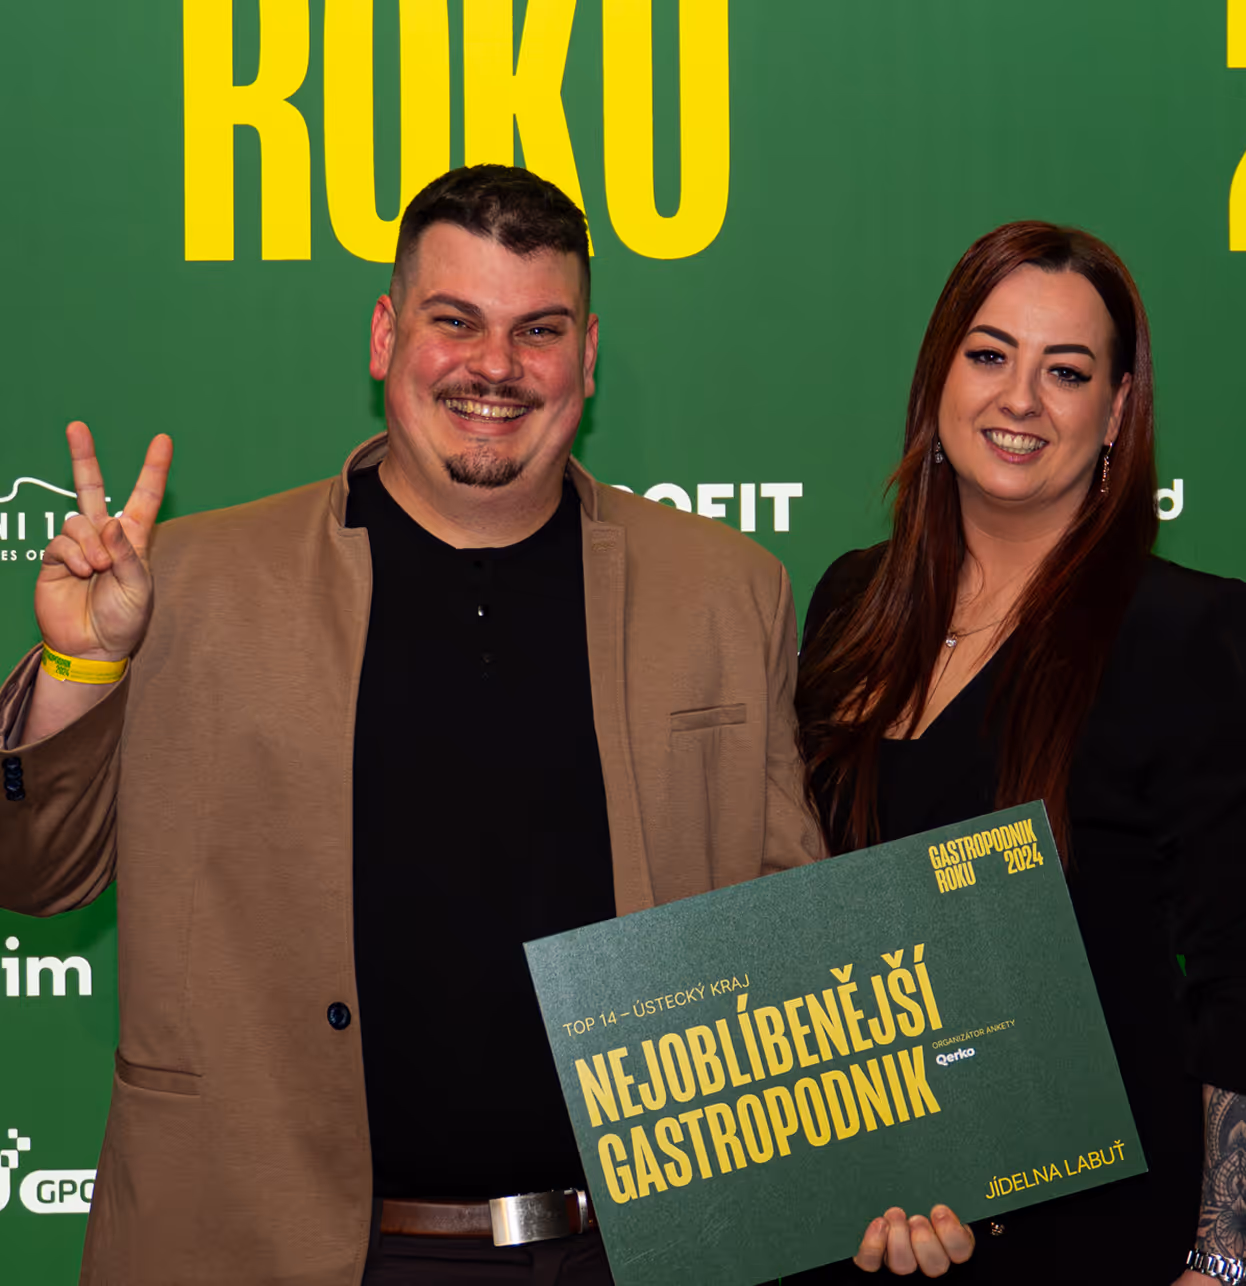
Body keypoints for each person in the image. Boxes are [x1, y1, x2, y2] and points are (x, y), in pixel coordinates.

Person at [0, 165, 825, 1286]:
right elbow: (35, 872)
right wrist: (83, 661)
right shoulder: (188, 582)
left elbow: (790, 928)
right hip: (266, 1247)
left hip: (629, 1253)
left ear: (587, 356)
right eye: (456, 322)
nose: (496, 365)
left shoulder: (726, 590)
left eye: (539, 330)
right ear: (386, 336)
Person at [795, 222, 1246, 1284]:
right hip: (862, 1224)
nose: (1020, 399)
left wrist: (1222, 1253)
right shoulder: (850, 601)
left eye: (1067, 371)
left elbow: (1239, 977)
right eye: (990, 354)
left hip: (1096, 1242)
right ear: (939, 376)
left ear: (1117, 410)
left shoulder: (1189, 636)